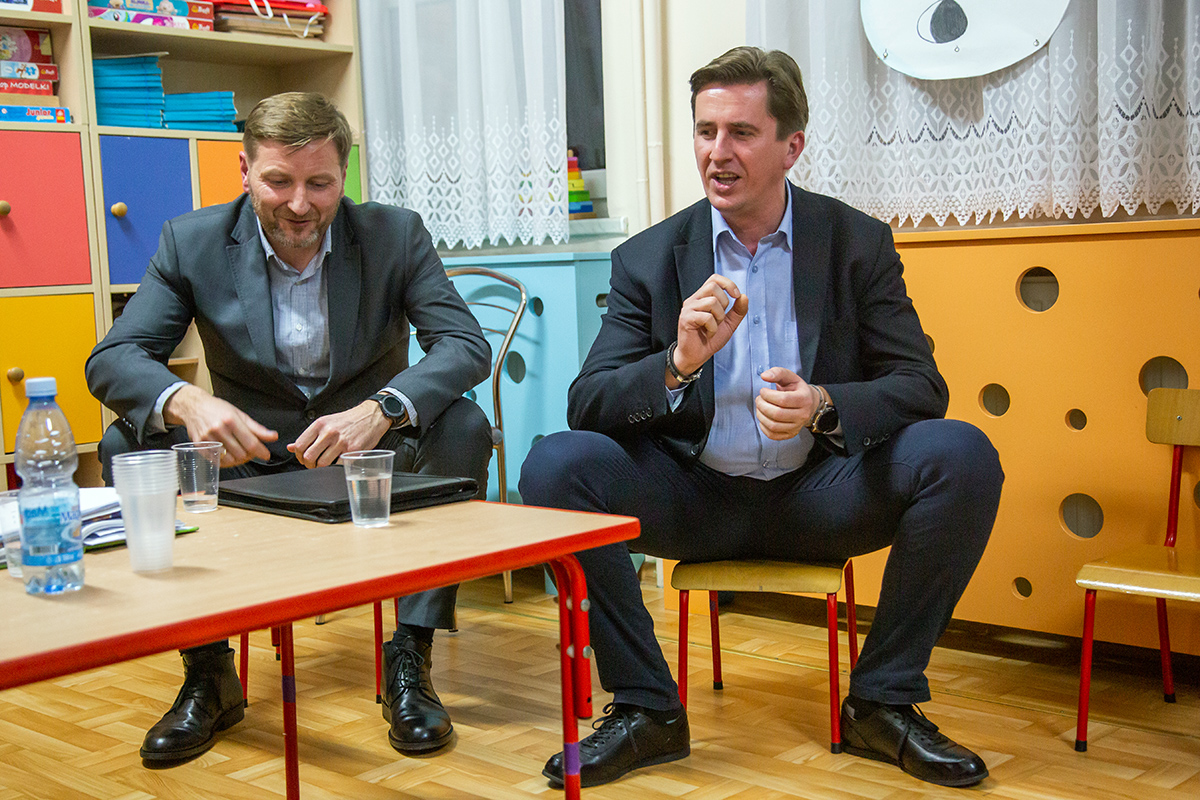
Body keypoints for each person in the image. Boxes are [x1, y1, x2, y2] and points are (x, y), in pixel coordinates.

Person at [519, 46, 1004, 790]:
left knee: (962, 453)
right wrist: (676, 364)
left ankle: (882, 702)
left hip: (822, 496)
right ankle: (647, 708)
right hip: (693, 499)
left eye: (741, 133)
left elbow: (920, 385)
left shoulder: (856, 243)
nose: (718, 152)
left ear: (791, 146)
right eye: (705, 131)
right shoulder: (649, 257)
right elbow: (588, 402)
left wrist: (824, 405)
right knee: (554, 464)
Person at [86, 92, 493, 764]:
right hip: (248, 457)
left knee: (464, 424)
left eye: (319, 183)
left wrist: (383, 409)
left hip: (365, 460)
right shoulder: (192, 242)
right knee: (127, 443)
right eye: (279, 181)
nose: (299, 204)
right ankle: (209, 673)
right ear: (245, 171)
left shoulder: (395, 234)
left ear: (344, 176)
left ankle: (409, 659)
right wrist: (186, 401)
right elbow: (113, 358)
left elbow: (464, 345)